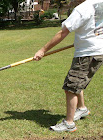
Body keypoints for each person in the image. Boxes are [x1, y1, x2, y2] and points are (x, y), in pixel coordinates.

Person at [34, 0, 103, 132]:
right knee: (78, 81)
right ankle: (82, 109)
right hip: (96, 51)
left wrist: (42, 50)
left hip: (87, 54)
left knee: (71, 87)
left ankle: (69, 123)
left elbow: (62, 33)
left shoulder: (82, 9)